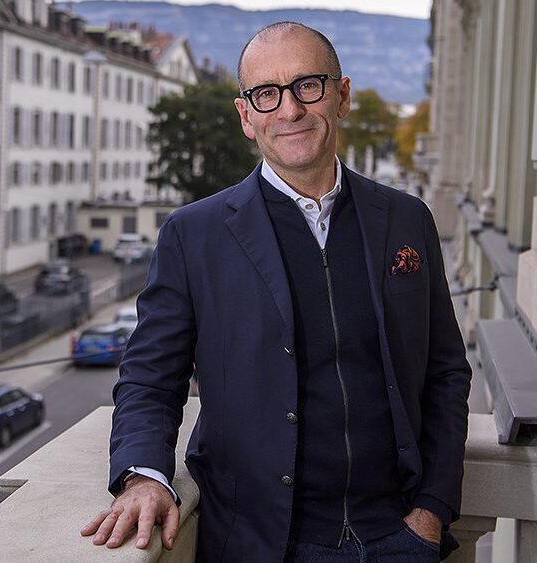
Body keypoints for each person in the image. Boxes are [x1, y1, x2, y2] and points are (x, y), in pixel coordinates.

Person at [81, 21, 472, 562]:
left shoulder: (407, 220)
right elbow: (150, 380)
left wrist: (431, 511)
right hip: (263, 544)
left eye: (307, 86)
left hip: (399, 538)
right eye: (266, 94)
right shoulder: (193, 235)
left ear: (342, 96)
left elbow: (446, 371)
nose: (289, 110)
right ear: (247, 116)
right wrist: (143, 477)